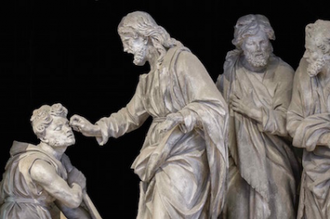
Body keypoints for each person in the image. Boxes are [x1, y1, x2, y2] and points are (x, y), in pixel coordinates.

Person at [70, 11, 228, 219]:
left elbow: (216, 105)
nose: (125, 49)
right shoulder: (149, 79)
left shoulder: (183, 61)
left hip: (186, 151)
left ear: (145, 37)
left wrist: (182, 116)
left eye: (128, 41)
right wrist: (97, 128)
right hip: (158, 151)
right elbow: (129, 116)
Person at [216, 14, 300, 219]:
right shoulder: (230, 75)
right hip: (237, 157)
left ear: (269, 41)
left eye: (262, 41)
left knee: (278, 193)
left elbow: (289, 124)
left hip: (276, 155)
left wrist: (252, 111)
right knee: (234, 192)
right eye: (252, 43)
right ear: (241, 46)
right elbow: (216, 118)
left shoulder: (284, 73)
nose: (258, 48)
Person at [0, 103, 92, 219]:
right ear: (43, 137)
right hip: (23, 215)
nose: (68, 130)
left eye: (67, 125)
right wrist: (77, 183)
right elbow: (72, 200)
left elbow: (68, 209)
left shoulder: (57, 162)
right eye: (58, 128)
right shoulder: (38, 164)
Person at [287, 19, 330, 219]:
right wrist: (322, 137)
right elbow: (292, 123)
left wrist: (310, 128)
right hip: (314, 169)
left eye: (312, 51)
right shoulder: (304, 72)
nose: (306, 55)